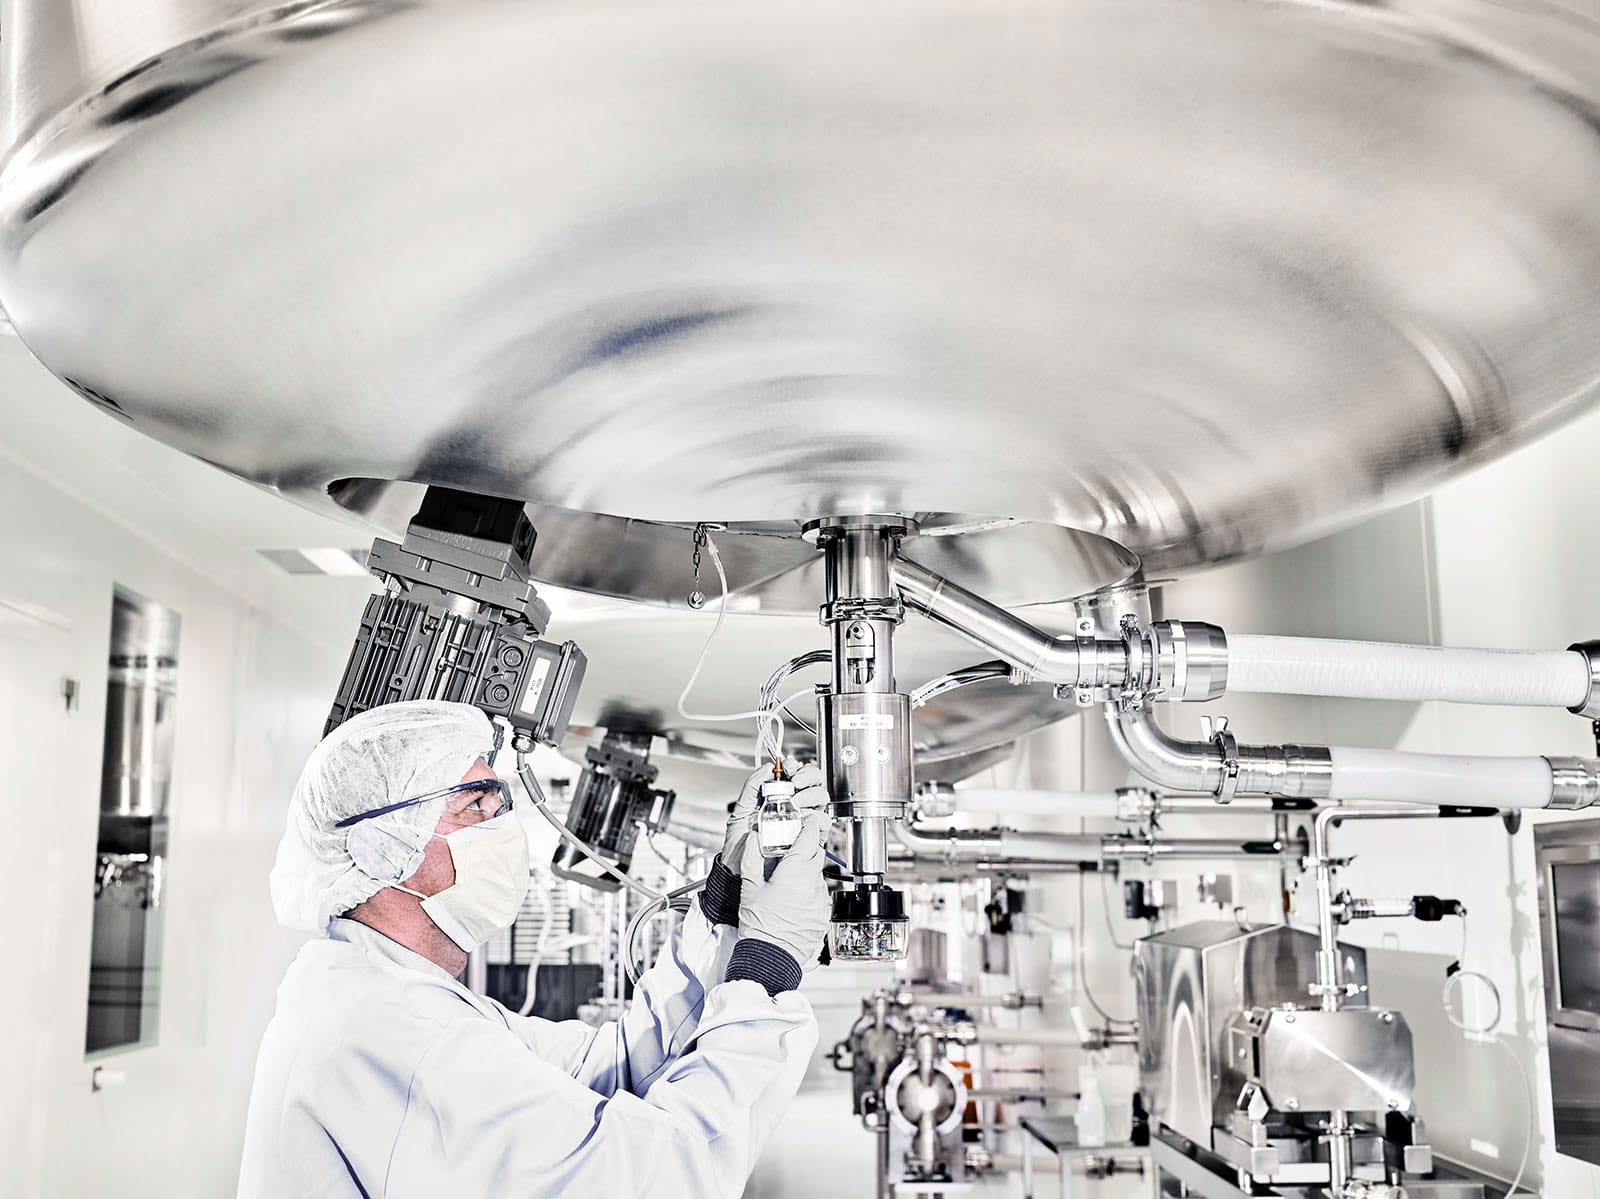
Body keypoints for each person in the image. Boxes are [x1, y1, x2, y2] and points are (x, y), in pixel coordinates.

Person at [238, 700, 831, 1198]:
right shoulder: (395, 1030)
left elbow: (613, 1069)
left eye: (500, 805)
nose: (504, 827)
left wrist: (725, 899)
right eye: (475, 806)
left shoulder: (391, 992)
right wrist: (769, 963)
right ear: (382, 850)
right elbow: (656, 1178)